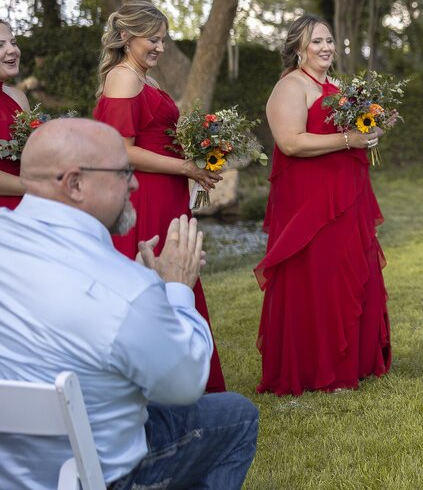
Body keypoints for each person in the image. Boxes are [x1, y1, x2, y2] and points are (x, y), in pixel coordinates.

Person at [0, 118, 258, 490]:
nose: (135, 183)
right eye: (124, 172)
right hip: (100, 476)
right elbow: (185, 384)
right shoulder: (124, 290)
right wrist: (176, 290)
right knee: (236, 415)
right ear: (75, 183)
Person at [93, 1, 226, 392]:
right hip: (146, 198)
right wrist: (186, 168)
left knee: (176, 276)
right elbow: (123, 149)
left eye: (163, 40)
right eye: (153, 39)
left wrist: (196, 159)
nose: (160, 48)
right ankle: (163, 383)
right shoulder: (123, 78)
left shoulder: (144, 79)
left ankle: (186, 377)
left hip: (167, 194)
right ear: (124, 37)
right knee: (156, 280)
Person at [255, 14, 391, 395]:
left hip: (348, 193)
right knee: (317, 275)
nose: (326, 47)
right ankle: (317, 367)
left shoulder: (337, 86)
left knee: (349, 272)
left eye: (329, 40)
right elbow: (291, 143)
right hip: (311, 199)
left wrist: (372, 128)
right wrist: (349, 139)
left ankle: (355, 360)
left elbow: (353, 132)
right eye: (317, 41)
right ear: (298, 46)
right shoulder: (290, 87)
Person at [0, 19, 30, 209]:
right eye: (0, 45)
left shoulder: (19, 98)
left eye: (14, 42)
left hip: (25, 208)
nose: (12, 50)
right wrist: (38, 187)